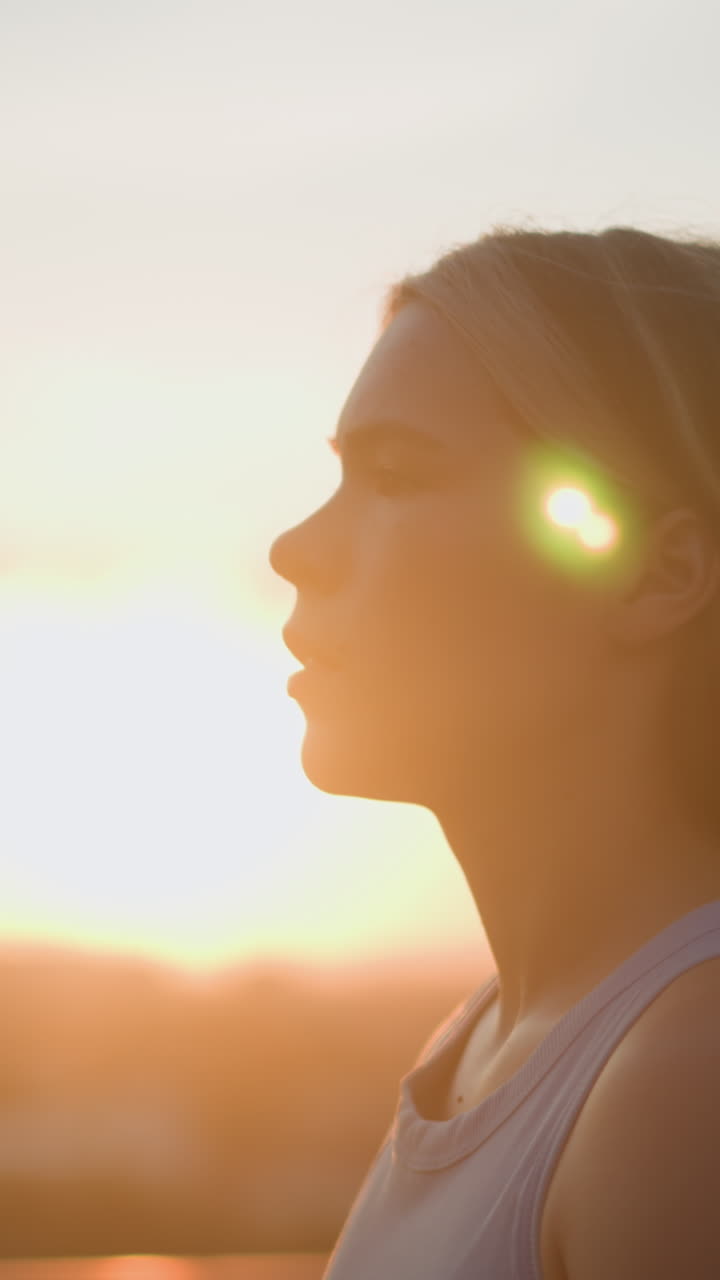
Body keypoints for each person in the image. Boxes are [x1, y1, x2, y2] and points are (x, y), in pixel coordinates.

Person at [267, 226, 720, 1278]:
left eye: (395, 474)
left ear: (656, 576)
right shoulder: (481, 1036)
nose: (294, 549)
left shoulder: (685, 1086)